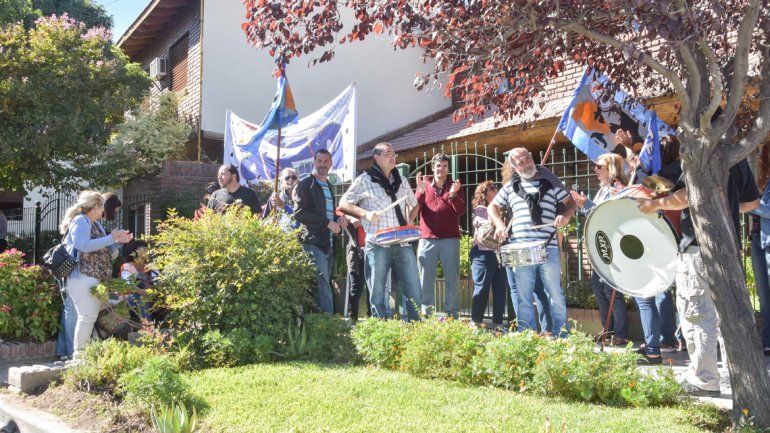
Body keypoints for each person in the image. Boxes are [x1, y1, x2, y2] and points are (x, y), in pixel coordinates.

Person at [638, 158, 759, 396]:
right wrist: (724, 207)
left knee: (698, 316)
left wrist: (655, 205)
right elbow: (752, 202)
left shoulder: (700, 153)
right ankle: (736, 381)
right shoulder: (736, 156)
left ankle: (705, 381)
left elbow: (688, 196)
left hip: (698, 248)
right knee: (728, 319)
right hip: (728, 249)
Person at [488, 148, 576, 337]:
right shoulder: (510, 187)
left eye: (528, 159)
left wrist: (565, 216)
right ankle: (526, 337)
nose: (526, 164)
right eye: (520, 162)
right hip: (521, 249)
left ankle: (562, 336)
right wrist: (499, 224)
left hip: (548, 247)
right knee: (524, 298)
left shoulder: (549, 182)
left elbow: (571, 203)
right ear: (514, 167)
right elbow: (492, 207)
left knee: (556, 296)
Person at [339, 142, 421, 321]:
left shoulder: (401, 180)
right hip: (377, 244)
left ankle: (417, 329)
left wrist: (409, 220)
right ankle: (382, 328)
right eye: (388, 153)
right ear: (376, 158)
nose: (393, 157)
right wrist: (365, 213)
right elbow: (344, 203)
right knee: (377, 291)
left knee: (414, 288)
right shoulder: (365, 179)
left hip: (402, 242)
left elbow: (414, 204)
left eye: (394, 154)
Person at [59, 191, 133, 360]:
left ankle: (83, 354)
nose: (103, 211)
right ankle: (78, 356)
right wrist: (110, 238)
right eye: (101, 207)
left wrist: (117, 240)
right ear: (94, 207)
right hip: (82, 276)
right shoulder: (81, 220)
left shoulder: (94, 223)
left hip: (93, 277)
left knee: (90, 316)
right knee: (87, 317)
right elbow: (83, 245)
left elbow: (102, 249)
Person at [571, 153, 630, 346]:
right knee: (599, 289)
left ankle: (620, 333)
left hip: (611, 245)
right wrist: (583, 205)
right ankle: (608, 329)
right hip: (599, 244)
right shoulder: (603, 188)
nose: (595, 169)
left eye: (599, 166)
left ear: (611, 168)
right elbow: (594, 215)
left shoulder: (617, 188)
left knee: (611, 290)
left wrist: (585, 204)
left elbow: (607, 215)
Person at [294, 149, 347, 314]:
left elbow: (328, 214)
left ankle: (318, 321)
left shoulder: (329, 186)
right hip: (312, 242)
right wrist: (327, 223)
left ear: (331, 163)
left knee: (321, 283)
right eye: (320, 161)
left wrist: (339, 220)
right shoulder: (305, 184)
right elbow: (299, 213)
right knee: (322, 283)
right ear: (314, 163)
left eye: (326, 161)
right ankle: (328, 324)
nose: (323, 164)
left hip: (328, 243)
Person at [415, 153, 466, 318]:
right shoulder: (424, 185)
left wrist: (453, 195)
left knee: (452, 278)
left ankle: (451, 315)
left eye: (444, 166)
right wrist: (421, 192)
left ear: (448, 169)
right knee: (425, 279)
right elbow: (414, 208)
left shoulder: (455, 186)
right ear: (432, 168)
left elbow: (462, 211)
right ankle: (426, 314)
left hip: (450, 239)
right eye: (438, 166)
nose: (441, 169)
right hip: (427, 238)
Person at [469, 181, 507, 328]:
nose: (496, 190)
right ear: (484, 193)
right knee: (482, 289)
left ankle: (498, 324)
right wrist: (495, 216)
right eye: (492, 189)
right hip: (482, 255)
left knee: (500, 290)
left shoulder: (503, 210)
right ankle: (475, 322)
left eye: (497, 188)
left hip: (499, 255)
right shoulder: (480, 209)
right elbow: (484, 228)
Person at [750, 144, 770, 355]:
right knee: (764, 297)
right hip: (758, 238)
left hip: (767, 239)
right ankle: (766, 339)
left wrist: (749, 205)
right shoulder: (764, 181)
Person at [120, 240, 154, 321]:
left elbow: (157, 283)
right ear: (135, 251)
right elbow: (129, 284)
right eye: (144, 249)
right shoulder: (127, 266)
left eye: (148, 249)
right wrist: (142, 292)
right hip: (130, 299)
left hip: (150, 295)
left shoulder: (151, 266)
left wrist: (150, 291)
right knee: (140, 298)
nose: (147, 251)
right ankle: (148, 328)